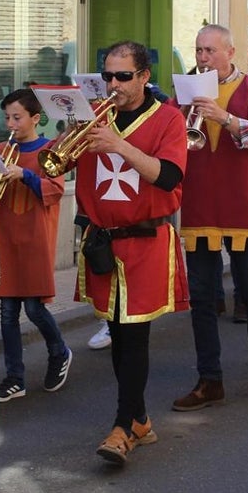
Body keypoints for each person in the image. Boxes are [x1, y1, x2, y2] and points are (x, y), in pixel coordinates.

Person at [71, 40, 189, 464]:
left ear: (144, 77)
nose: (114, 84)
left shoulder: (169, 119)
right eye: (108, 76)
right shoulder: (95, 117)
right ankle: (138, 418)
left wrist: (119, 146)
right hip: (103, 238)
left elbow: (170, 176)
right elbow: (57, 163)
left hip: (145, 241)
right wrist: (69, 133)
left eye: (123, 76)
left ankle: (123, 429)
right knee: (119, 336)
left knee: (135, 335)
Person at [172, 24, 248, 412]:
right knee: (202, 297)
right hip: (200, 201)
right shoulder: (186, 88)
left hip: (241, 203)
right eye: (199, 50)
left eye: (209, 51)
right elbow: (173, 135)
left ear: (230, 52)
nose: (202, 58)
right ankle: (209, 379)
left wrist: (224, 117)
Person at [0, 89, 71, 403]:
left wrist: (24, 175)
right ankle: (14, 377)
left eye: (17, 117)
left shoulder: (49, 151)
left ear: (36, 118)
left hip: (35, 237)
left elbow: (55, 190)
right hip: (5, 236)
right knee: (7, 312)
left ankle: (59, 351)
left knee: (34, 308)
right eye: (7, 117)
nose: (11, 123)